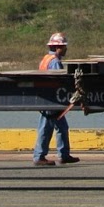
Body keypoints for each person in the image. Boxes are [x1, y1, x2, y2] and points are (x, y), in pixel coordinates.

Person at [32, 31, 79, 167]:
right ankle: (39, 156)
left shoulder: (45, 59)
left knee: (60, 127)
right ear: (58, 47)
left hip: (45, 99)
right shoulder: (54, 62)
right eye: (64, 46)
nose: (66, 49)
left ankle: (63, 155)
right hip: (51, 101)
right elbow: (59, 82)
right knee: (47, 128)